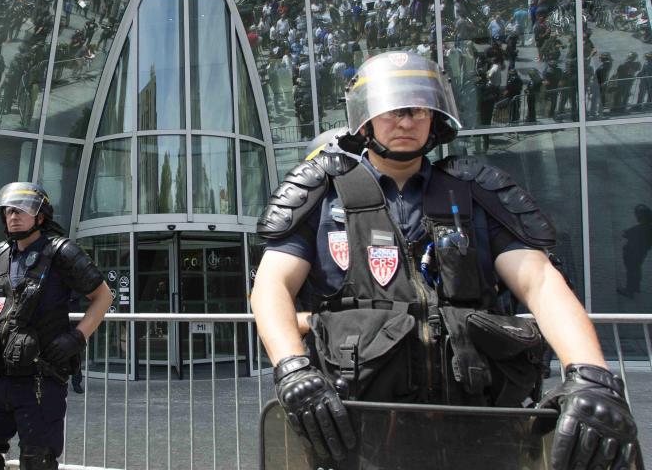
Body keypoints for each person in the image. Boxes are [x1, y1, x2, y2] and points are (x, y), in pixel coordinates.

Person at [251, 52, 638, 469]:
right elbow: (271, 286)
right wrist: (293, 368)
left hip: (477, 424)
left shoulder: (474, 193)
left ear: (435, 118)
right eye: (392, 111)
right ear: (365, 120)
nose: (405, 122)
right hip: (360, 427)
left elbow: (540, 282)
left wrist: (591, 375)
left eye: (418, 110)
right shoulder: (323, 196)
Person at [0, 182, 112, 470]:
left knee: (37, 461)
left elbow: (103, 296)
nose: (13, 216)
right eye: (8, 211)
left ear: (40, 216)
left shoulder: (62, 251)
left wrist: (77, 337)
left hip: (40, 378)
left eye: (21, 211)